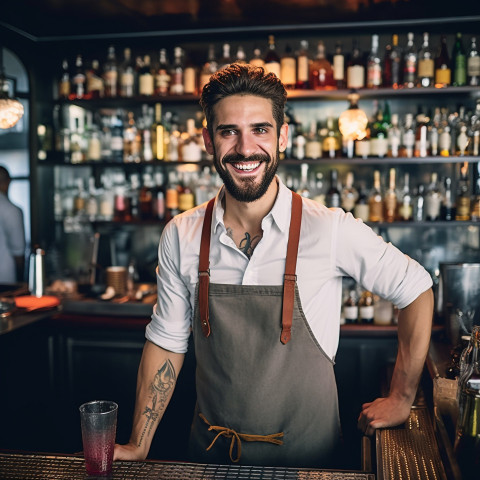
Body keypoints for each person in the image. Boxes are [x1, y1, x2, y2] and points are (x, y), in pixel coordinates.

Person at [114, 64, 434, 468]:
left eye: (260, 130)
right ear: (208, 141)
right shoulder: (182, 233)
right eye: (228, 131)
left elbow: (417, 288)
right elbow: (166, 341)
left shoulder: (329, 228)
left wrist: (401, 398)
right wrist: (138, 443)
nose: (245, 148)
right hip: (211, 459)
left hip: (309, 463)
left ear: (282, 136)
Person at [0, 165, 25, 284]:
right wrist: (22, 280)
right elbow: (18, 250)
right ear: (8, 182)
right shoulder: (11, 210)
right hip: (5, 280)